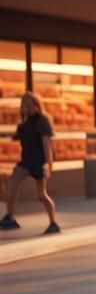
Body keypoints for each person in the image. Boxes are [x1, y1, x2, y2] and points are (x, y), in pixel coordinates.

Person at [1, 92, 60, 233]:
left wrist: (48, 164)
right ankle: (10, 217)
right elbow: (17, 138)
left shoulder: (42, 121)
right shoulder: (23, 124)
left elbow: (47, 145)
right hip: (26, 161)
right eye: (23, 105)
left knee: (41, 195)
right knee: (13, 182)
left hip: (39, 163)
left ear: (35, 105)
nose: (24, 107)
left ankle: (53, 223)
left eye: (27, 104)